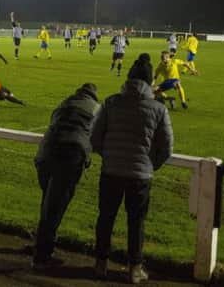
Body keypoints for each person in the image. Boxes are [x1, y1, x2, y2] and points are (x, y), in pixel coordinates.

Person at [90, 56, 173, 284]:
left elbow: (94, 137)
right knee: (136, 221)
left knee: (105, 217)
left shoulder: (110, 102)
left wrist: (109, 156)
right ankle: (134, 270)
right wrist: (149, 165)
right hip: (140, 176)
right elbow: (167, 148)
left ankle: (100, 264)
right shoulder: (158, 109)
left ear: (128, 78)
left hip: (111, 172)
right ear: (149, 81)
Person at [32, 83, 100, 270]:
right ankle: (42, 256)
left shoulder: (65, 102)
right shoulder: (96, 108)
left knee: (48, 202)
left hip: (45, 153)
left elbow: (53, 119)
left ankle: (41, 246)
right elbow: (98, 136)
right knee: (54, 206)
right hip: (70, 154)